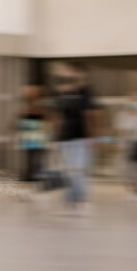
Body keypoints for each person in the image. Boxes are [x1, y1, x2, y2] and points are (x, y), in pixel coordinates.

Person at [49, 63, 102, 212]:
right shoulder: (61, 93)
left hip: (82, 138)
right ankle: (70, 200)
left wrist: (94, 137)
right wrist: (55, 139)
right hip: (65, 138)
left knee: (78, 170)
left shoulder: (86, 93)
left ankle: (81, 199)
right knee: (69, 171)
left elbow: (92, 116)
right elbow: (57, 117)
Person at [16, 85, 50, 190]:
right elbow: (20, 118)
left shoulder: (40, 106)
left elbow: (45, 118)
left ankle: (38, 174)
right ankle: (30, 173)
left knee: (38, 155)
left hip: (37, 134)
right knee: (29, 154)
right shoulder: (25, 107)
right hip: (29, 134)